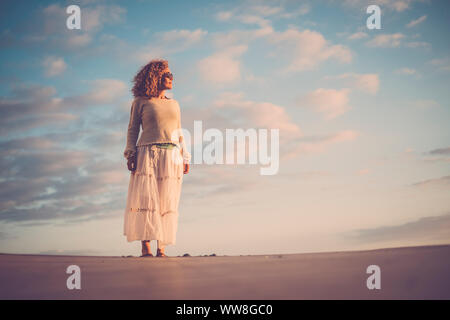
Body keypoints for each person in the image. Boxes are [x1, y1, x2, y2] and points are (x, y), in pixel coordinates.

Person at [123, 59, 191, 257]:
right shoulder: (141, 102)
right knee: (147, 200)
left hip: (171, 155)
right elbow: (133, 129)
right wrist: (130, 153)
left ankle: (162, 247)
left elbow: (179, 131)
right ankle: (146, 246)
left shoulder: (174, 104)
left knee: (167, 200)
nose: (171, 78)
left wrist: (185, 156)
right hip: (147, 154)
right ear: (155, 76)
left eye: (171, 74)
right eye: (167, 74)